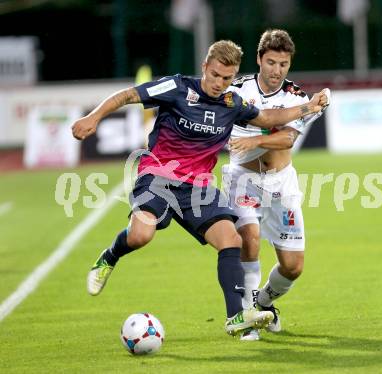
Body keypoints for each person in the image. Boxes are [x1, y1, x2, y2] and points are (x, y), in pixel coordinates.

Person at [71, 39, 327, 337]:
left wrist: (307, 106)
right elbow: (129, 94)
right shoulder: (177, 88)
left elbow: (269, 118)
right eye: (215, 75)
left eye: (227, 78)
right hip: (158, 176)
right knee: (141, 236)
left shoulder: (232, 104)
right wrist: (94, 117)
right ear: (205, 67)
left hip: (197, 187)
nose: (220, 83)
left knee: (232, 240)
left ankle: (235, 317)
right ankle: (110, 257)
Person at [223, 30, 330, 340]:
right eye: (271, 62)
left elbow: (288, 138)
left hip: (282, 184)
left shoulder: (296, 97)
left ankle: (262, 302)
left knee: (293, 266)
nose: (276, 70)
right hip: (243, 179)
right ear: (259, 60)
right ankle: (246, 317)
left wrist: (257, 138)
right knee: (250, 238)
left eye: (283, 64)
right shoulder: (238, 91)